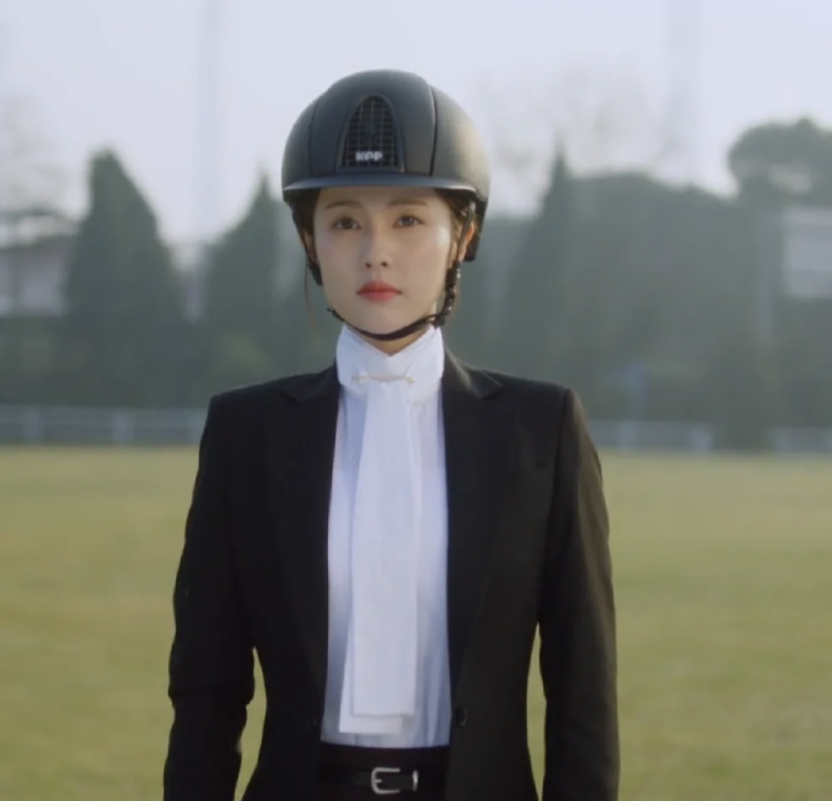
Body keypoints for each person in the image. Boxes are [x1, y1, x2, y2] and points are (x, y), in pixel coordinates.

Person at [162, 69, 618, 801]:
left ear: (462, 236)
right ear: (310, 240)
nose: (375, 251)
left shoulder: (541, 431)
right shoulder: (246, 434)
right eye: (345, 222)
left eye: (408, 219)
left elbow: (583, 688)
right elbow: (206, 690)